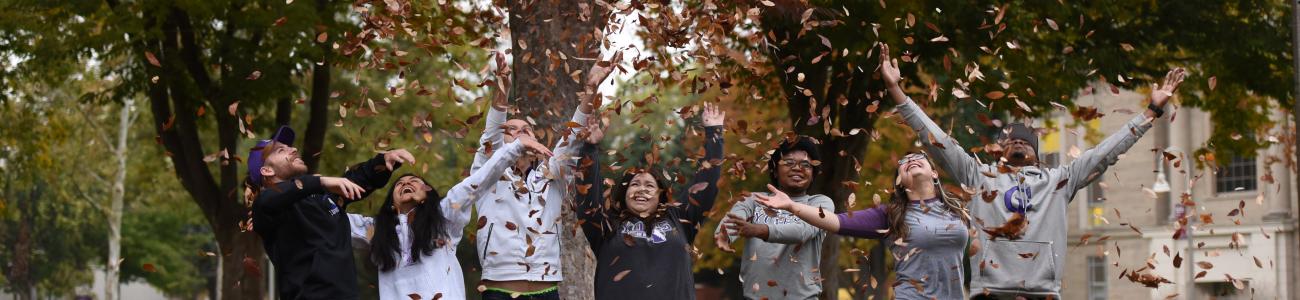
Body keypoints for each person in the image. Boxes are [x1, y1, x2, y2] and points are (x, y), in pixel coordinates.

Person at [878, 43, 1187, 299]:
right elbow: (938, 143)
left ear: (1037, 155)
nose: (1016, 142)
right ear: (1000, 151)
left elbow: (1106, 152)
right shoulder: (979, 176)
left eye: (1024, 141)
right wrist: (897, 93)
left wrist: (1151, 112)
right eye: (1009, 139)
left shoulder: (1060, 181)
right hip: (990, 294)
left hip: (1042, 293)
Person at [469, 52, 617, 299]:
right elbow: (491, 135)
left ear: (537, 144)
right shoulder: (487, 174)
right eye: (512, 131)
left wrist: (591, 90)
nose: (521, 133)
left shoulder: (553, 173)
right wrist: (502, 91)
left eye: (526, 129)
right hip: (499, 289)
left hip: (546, 289)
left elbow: (571, 139)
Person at [346, 135, 552, 299]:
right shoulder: (376, 230)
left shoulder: (442, 217)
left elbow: (477, 182)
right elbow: (328, 216)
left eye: (415, 181)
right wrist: (318, 184)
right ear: (391, 201)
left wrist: (515, 147)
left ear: (428, 195)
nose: (406, 183)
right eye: (399, 183)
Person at [756, 151, 973, 299]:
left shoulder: (956, 209)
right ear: (899, 180)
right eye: (903, 163)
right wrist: (792, 206)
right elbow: (835, 221)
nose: (911, 160)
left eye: (918, 157)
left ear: (934, 172)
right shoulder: (891, 214)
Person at [247, 125, 415, 299]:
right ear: (267, 170)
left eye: (290, 146)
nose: (294, 149)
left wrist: (383, 161)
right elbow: (269, 199)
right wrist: (320, 181)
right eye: (281, 150)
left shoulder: (321, 197)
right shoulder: (267, 207)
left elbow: (356, 180)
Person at [577, 103, 725, 300]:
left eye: (649, 186)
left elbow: (706, 185)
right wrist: (589, 149)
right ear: (625, 193)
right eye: (635, 184)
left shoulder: (679, 220)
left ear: (660, 195)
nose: (641, 189)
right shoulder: (607, 225)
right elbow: (587, 200)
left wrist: (714, 134)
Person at [713, 136, 834, 300]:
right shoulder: (755, 200)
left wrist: (759, 230)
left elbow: (803, 231)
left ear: (813, 174)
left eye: (806, 165)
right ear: (775, 170)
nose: (798, 168)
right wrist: (724, 234)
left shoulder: (820, 204)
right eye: (789, 163)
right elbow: (735, 219)